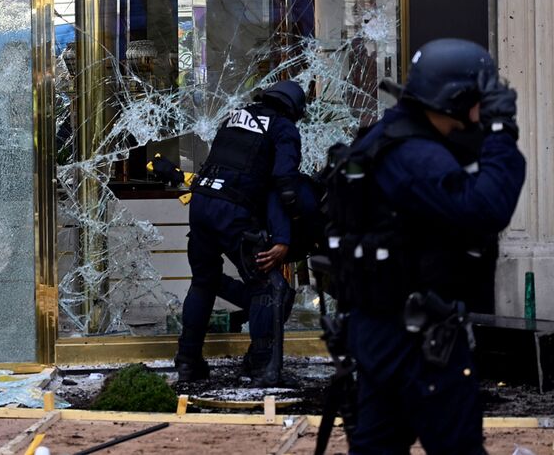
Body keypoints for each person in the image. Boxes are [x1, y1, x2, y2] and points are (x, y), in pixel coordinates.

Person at [322, 39, 524, 454]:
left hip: (379, 333)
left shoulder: (387, 139)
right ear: (457, 97)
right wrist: (503, 133)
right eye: (481, 97)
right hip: (418, 343)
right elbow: (487, 208)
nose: (483, 108)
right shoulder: (415, 157)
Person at [175, 79, 307, 386]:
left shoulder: (236, 116)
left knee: (203, 283)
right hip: (232, 211)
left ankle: (187, 363)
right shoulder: (283, 127)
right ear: (293, 108)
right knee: (270, 287)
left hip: (201, 203)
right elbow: (283, 185)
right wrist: (284, 237)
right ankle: (261, 366)